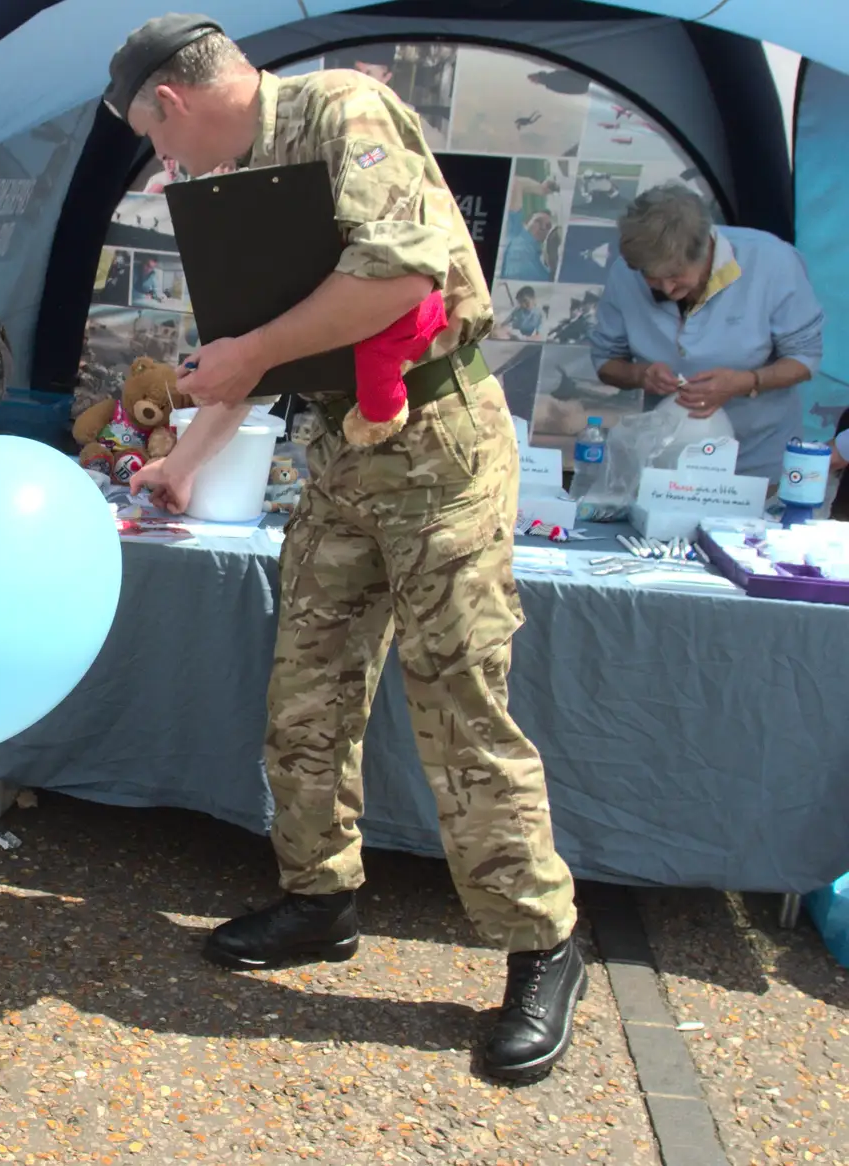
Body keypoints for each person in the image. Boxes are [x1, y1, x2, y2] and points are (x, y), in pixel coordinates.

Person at [110, 15, 582, 1084]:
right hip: (343, 455)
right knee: (307, 692)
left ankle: (540, 945)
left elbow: (401, 276)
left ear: (172, 104)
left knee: (460, 698)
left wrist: (253, 355)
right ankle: (318, 900)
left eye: (157, 141)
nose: (166, 165)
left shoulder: (341, 112)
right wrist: (186, 456)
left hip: (442, 446)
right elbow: (258, 358)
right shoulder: (245, 179)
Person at [590, 184, 824, 484]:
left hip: (758, 462)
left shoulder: (772, 262)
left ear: (706, 251)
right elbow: (606, 361)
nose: (667, 290)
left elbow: (805, 358)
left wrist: (744, 382)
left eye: (676, 277)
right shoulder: (626, 273)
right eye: (652, 278)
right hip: (664, 462)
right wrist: (640, 375)